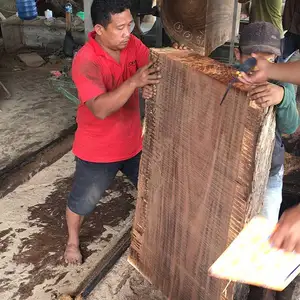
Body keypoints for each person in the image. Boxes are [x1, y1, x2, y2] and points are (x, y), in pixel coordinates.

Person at [65, 0, 161, 264]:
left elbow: (151, 66)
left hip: (132, 142)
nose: (127, 32)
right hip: (98, 148)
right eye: (120, 28)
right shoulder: (86, 60)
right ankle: (73, 240)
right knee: (83, 201)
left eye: (129, 25)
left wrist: (149, 84)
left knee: (152, 186)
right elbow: (99, 109)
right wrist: (135, 83)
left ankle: (153, 230)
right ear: (99, 29)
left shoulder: (131, 45)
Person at [236, 22, 299, 226]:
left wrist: (282, 98)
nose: (258, 65)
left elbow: (290, 127)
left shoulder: (282, 84)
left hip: (270, 173)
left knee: (264, 228)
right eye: (252, 58)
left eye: (268, 58)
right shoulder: (227, 78)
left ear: (276, 58)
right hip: (233, 170)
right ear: (237, 55)